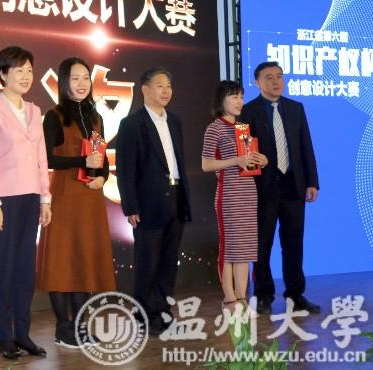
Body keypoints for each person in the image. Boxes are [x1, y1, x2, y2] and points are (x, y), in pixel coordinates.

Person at [0, 46, 51, 360]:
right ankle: (4, 337)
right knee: (4, 269)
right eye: (18, 70)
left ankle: (23, 334)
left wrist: (45, 197)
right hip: (4, 199)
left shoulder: (34, 111)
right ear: (3, 74)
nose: (25, 76)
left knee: (24, 270)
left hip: (31, 198)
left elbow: (41, 157)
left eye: (29, 70)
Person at [36, 57, 116, 348]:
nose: (82, 84)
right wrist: (82, 161)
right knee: (62, 259)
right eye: (75, 78)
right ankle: (63, 327)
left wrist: (103, 177)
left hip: (90, 198)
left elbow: (101, 158)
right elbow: (47, 158)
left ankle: (82, 325)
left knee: (84, 259)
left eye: (85, 78)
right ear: (64, 82)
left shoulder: (96, 117)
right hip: (65, 194)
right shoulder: (54, 116)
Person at [239, 61, 320, 315]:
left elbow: (306, 146)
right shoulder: (247, 112)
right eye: (269, 77)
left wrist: (312, 182)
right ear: (257, 82)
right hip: (263, 188)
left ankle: (295, 294)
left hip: (294, 186)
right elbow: (245, 153)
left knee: (294, 243)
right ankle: (263, 295)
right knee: (262, 244)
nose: (276, 81)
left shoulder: (296, 108)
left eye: (279, 76)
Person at [116, 66, 191, 336]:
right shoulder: (131, 124)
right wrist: (131, 206)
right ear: (145, 89)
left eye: (168, 85)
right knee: (148, 261)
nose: (166, 91)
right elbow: (125, 170)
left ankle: (162, 311)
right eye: (160, 85)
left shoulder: (175, 122)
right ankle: (144, 314)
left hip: (176, 197)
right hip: (148, 203)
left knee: (169, 261)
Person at [201, 80, 267, 312]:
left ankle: (242, 298)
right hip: (229, 194)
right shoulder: (215, 128)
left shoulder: (242, 128)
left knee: (244, 249)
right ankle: (229, 298)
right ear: (221, 100)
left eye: (241, 96)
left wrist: (261, 160)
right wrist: (236, 161)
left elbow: (249, 160)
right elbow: (206, 164)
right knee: (229, 248)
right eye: (234, 96)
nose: (239, 101)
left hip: (248, 193)